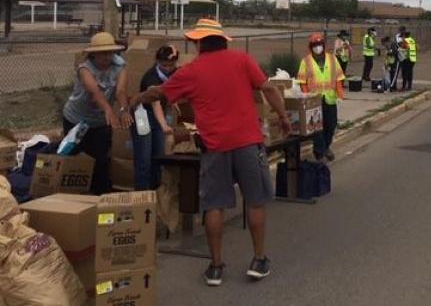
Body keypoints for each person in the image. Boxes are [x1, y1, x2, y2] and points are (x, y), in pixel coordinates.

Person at [130, 18, 290, 287]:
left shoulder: (190, 71)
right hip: (248, 142)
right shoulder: (242, 60)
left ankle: (215, 267)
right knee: (255, 201)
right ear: (222, 40)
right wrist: (283, 116)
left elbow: (158, 93)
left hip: (214, 146)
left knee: (214, 205)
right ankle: (259, 260)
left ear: (198, 42)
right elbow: (270, 88)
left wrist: (135, 99)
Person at [62, 32, 131, 194]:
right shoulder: (85, 69)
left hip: (100, 122)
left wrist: (123, 109)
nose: (106, 57)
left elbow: (120, 91)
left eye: (109, 52)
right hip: (77, 120)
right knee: (73, 156)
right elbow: (95, 93)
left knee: (100, 159)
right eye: (102, 53)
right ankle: (70, 195)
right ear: (94, 54)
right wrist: (108, 109)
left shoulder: (120, 66)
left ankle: (100, 195)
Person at [132, 45, 179, 191]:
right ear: (157, 61)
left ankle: (157, 192)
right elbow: (155, 102)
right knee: (144, 160)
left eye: (171, 65)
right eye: (164, 65)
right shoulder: (151, 77)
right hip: (143, 116)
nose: (167, 68)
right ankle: (142, 194)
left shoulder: (175, 72)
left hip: (160, 117)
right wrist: (164, 125)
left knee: (158, 157)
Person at [296, 33, 346, 162]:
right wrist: (307, 97)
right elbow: (302, 81)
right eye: (315, 45)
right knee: (317, 127)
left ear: (323, 46)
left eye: (319, 45)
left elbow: (339, 78)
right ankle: (320, 151)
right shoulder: (305, 61)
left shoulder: (332, 59)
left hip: (330, 98)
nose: (317, 47)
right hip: (314, 100)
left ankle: (325, 147)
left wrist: (340, 95)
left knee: (331, 125)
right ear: (310, 47)